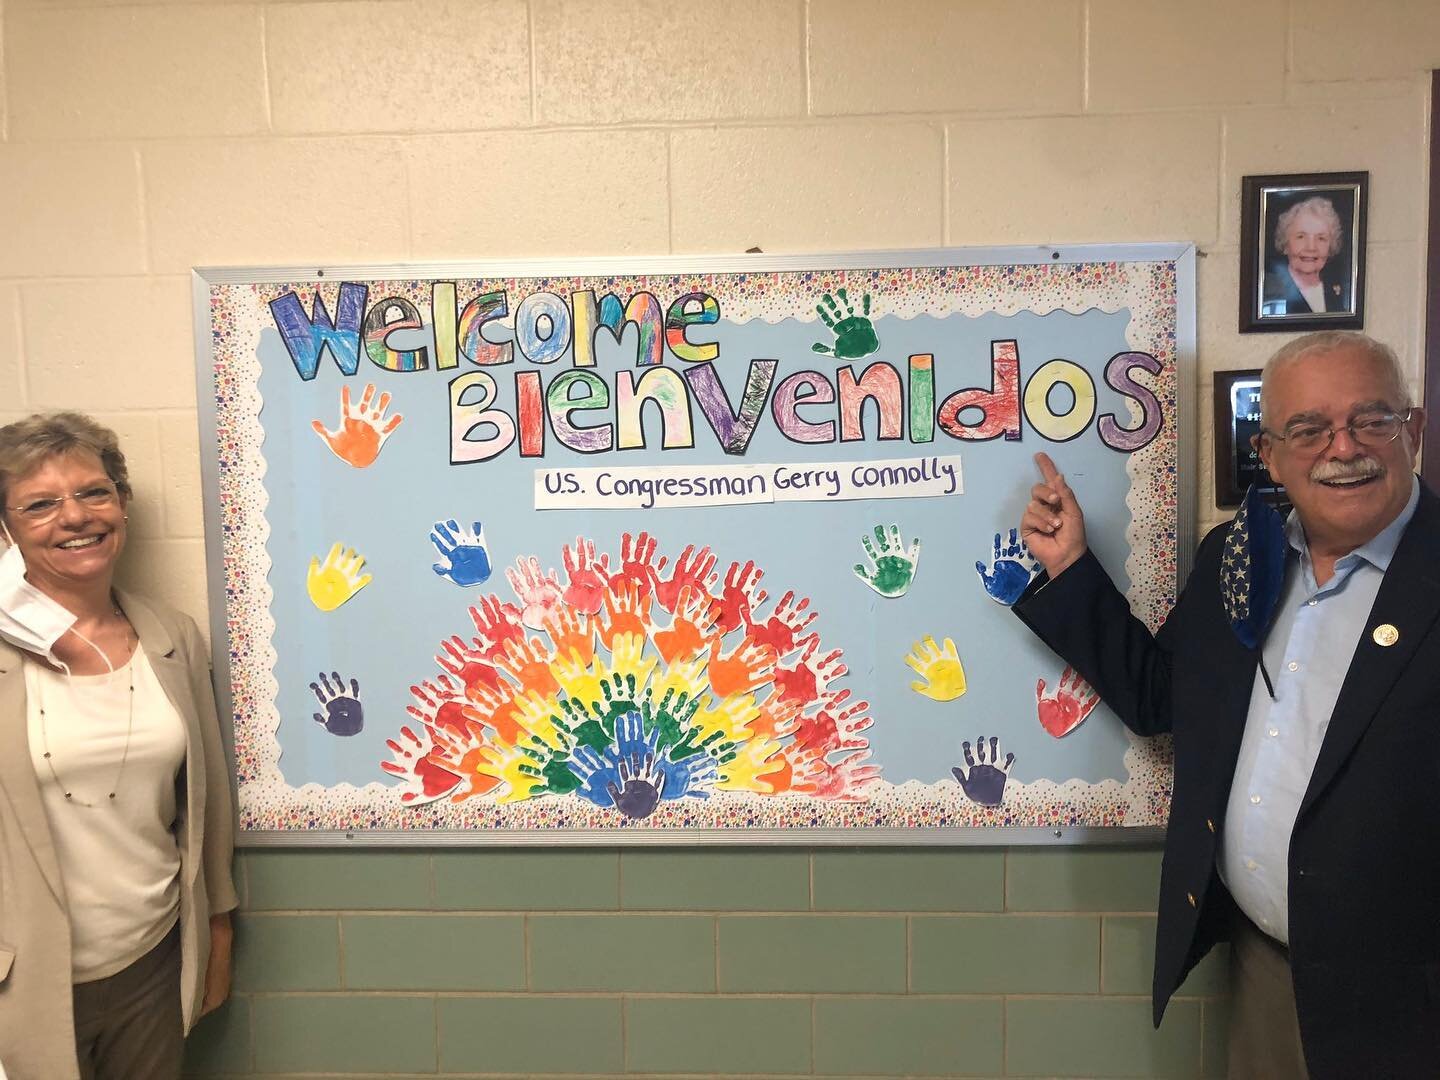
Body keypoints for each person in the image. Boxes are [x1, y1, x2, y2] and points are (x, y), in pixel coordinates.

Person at [1012, 331, 1438, 1079]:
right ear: (1269, 454)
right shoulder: (1241, 558)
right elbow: (1158, 696)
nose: (1344, 448)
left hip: (1409, 1000)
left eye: (1373, 420)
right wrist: (1072, 567)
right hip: (1266, 969)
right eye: (1308, 429)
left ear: (1414, 432)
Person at [0, 413, 237, 1080]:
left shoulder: (171, 635)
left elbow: (205, 804)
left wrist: (217, 936)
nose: (75, 517)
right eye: (40, 504)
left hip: (150, 965)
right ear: (6, 530)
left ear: (122, 504)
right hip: (21, 986)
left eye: (94, 492)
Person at [1261, 195, 1352, 317]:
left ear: (1331, 246)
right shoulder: (1268, 291)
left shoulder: (1339, 290)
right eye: (1301, 237)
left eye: (1321, 238)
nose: (1311, 247)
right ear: (1285, 243)